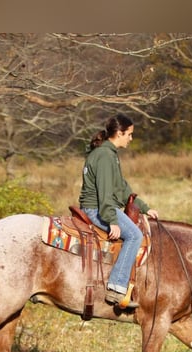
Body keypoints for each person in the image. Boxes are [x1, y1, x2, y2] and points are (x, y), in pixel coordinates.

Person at [79, 114, 159, 309]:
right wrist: (111, 220)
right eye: (129, 134)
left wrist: (145, 208)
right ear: (119, 133)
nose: (131, 139)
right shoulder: (105, 156)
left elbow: (122, 189)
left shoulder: (109, 154)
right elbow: (105, 192)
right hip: (97, 208)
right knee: (134, 235)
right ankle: (116, 287)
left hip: (103, 205)